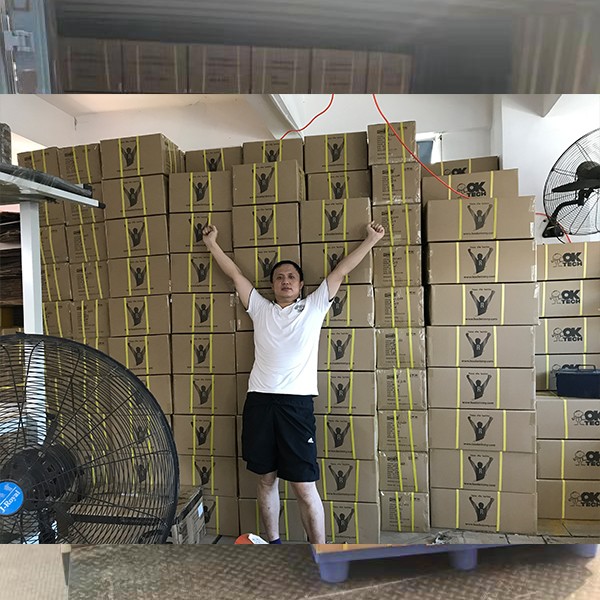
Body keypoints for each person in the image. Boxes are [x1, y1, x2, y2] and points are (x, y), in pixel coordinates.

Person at [202, 221, 385, 544]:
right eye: (279, 277)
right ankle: (273, 545)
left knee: (303, 485)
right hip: (260, 402)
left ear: (301, 285)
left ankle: (320, 552)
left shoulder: (314, 307)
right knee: (265, 479)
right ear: (272, 285)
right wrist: (212, 244)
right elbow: (235, 275)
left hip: (296, 406)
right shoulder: (260, 308)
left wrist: (371, 240)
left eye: (291, 277)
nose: (285, 281)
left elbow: (341, 271)